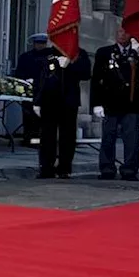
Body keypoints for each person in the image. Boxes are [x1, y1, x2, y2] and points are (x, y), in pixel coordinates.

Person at [91, 28, 139, 181]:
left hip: (132, 103)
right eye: (119, 32)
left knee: (131, 139)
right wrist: (96, 103)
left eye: (126, 32)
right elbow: (96, 79)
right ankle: (107, 168)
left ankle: (129, 169)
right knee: (108, 137)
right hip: (110, 101)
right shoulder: (104, 52)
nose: (122, 35)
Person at [32, 46, 91, 179]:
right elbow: (40, 79)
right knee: (47, 136)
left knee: (68, 136)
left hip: (69, 101)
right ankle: (46, 168)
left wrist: (71, 64)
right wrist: (37, 101)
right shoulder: (47, 54)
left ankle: (64, 168)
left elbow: (86, 74)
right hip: (49, 100)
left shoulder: (79, 53)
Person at [13, 32, 51, 147]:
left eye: (42, 43)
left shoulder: (50, 57)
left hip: (45, 91)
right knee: (28, 116)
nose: (40, 45)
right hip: (29, 89)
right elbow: (19, 72)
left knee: (41, 118)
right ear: (34, 44)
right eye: (38, 43)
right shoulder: (26, 57)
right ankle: (28, 138)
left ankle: (39, 140)